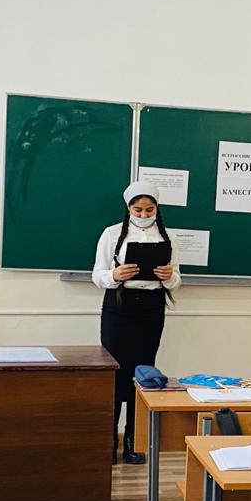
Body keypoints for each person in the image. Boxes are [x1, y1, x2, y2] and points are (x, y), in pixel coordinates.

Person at [93, 181, 181, 464]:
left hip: (151, 308)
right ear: (128, 208)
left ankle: (134, 440)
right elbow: (97, 274)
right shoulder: (112, 233)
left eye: (149, 210)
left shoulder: (168, 236)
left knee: (143, 374)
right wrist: (115, 275)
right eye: (138, 209)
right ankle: (110, 441)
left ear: (157, 208)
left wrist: (168, 276)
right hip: (119, 307)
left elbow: (177, 280)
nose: (144, 215)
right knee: (115, 372)